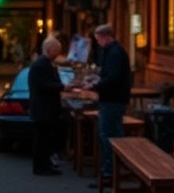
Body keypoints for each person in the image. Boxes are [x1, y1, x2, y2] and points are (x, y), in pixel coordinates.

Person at [83, 23, 131, 187]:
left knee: (109, 136)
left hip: (113, 100)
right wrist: (97, 80)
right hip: (113, 98)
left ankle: (110, 173)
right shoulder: (113, 51)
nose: (97, 42)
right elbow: (110, 75)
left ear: (105, 37)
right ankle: (110, 171)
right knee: (111, 134)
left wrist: (95, 85)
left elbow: (113, 78)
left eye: (98, 39)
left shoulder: (114, 53)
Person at [28, 36, 74, 176]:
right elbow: (44, 85)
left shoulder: (44, 63)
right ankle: (41, 167)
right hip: (43, 108)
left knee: (46, 138)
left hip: (45, 108)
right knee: (42, 139)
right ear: (50, 49)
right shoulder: (41, 64)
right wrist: (63, 87)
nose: (58, 54)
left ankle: (45, 164)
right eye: (57, 51)